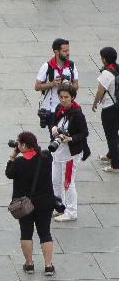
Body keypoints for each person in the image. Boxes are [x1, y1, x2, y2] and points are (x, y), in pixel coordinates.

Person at [5, 131, 58, 274]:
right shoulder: (46, 158)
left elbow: (9, 173)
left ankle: (29, 264)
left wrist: (12, 156)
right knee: (45, 233)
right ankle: (48, 265)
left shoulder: (19, 163)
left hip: (25, 205)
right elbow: (44, 154)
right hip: (45, 203)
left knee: (26, 233)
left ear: (23, 145)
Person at [47, 86, 89, 222]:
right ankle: (60, 207)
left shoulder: (77, 114)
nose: (63, 100)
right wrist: (54, 128)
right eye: (61, 97)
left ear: (72, 98)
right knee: (55, 180)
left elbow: (84, 133)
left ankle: (71, 211)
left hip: (70, 154)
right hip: (58, 151)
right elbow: (54, 121)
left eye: (66, 97)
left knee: (68, 182)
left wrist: (70, 138)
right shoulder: (60, 108)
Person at [91, 47, 119, 170]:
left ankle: (115, 164)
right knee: (114, 133)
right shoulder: (117, 68)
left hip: (109, 109)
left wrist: (95, 102)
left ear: (104, 59)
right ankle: (110, 155)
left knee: (111, 136)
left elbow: (100, 91)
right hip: (117, 106)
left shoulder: (107, 73)